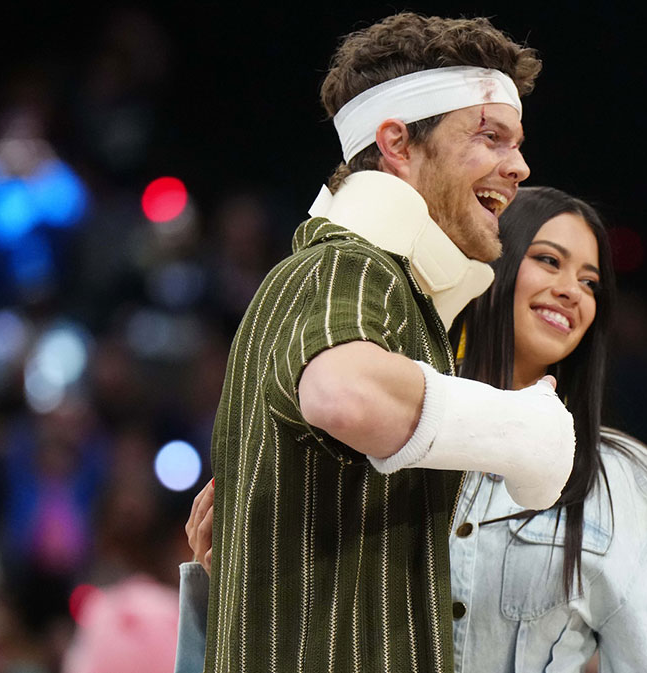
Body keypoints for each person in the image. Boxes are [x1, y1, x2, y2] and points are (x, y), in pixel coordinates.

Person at [180, 187, 647, 673]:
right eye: (548, 260)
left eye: (590, 282)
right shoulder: (374, 434)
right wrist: (245, 570)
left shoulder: (632, 491)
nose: (572, 292)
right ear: (487, 266)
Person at [203, 13, 577, 673]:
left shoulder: (372, 289)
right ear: (398, 143)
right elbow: (344, 393)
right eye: (490, 136)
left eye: (517, 143)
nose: (519, 166)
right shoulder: (346, 265)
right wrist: (527, 427)